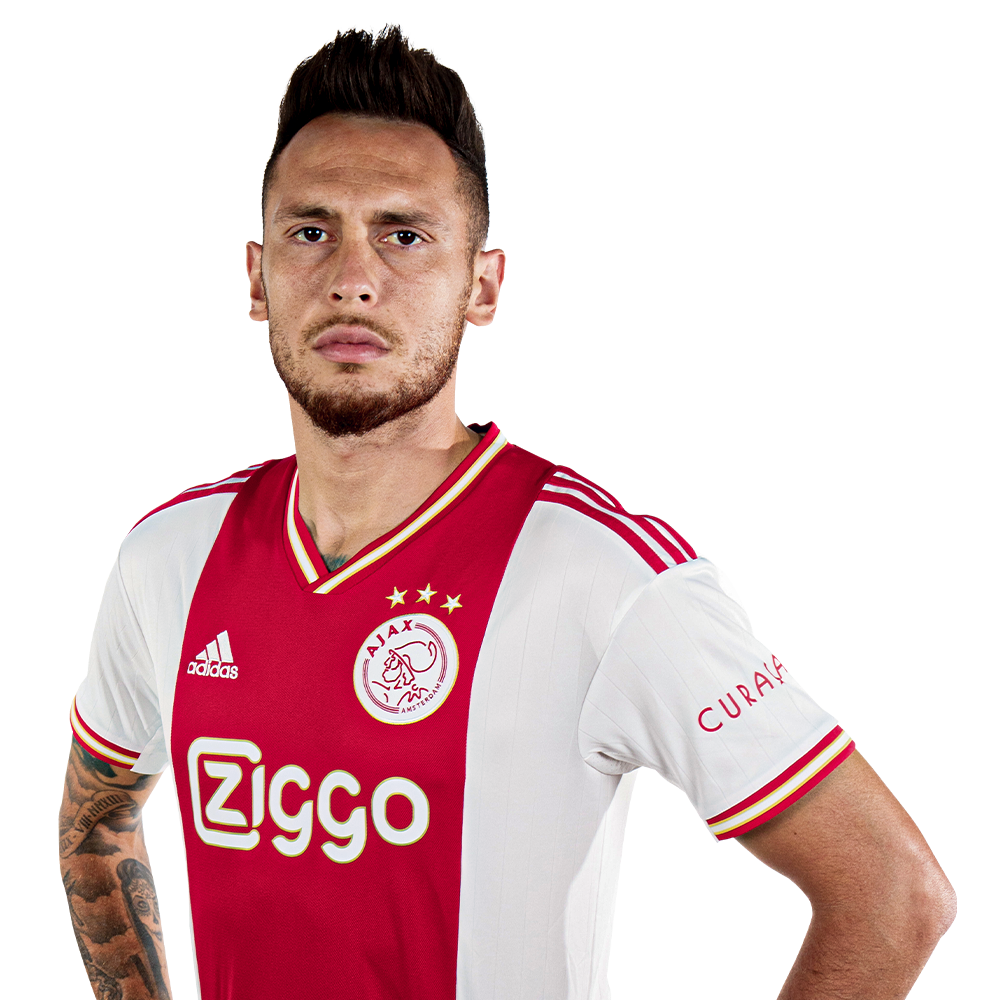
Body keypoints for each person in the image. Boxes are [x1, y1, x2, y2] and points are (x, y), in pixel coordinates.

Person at [59, 25, 955, 1000]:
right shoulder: (167, 557)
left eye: (404, 235)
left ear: (482, 283)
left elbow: (891, 892)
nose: (353, 276)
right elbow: (91, 820)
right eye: (311, 232)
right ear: (255, 275)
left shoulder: (604, 576)